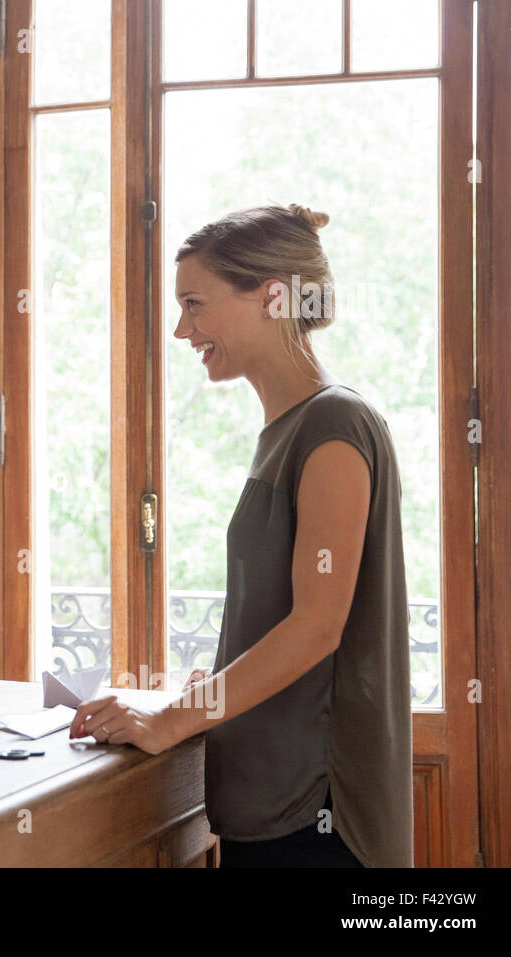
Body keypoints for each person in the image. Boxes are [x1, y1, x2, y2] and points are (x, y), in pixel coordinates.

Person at [69, 204, 412, 868]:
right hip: (273, 809)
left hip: (320, 821)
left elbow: (317, 626)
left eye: (195, 304)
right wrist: (211, 682)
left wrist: (169, 719)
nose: (180, 328)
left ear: (272, 296)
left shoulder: (333, 423)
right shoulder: (287, 430)